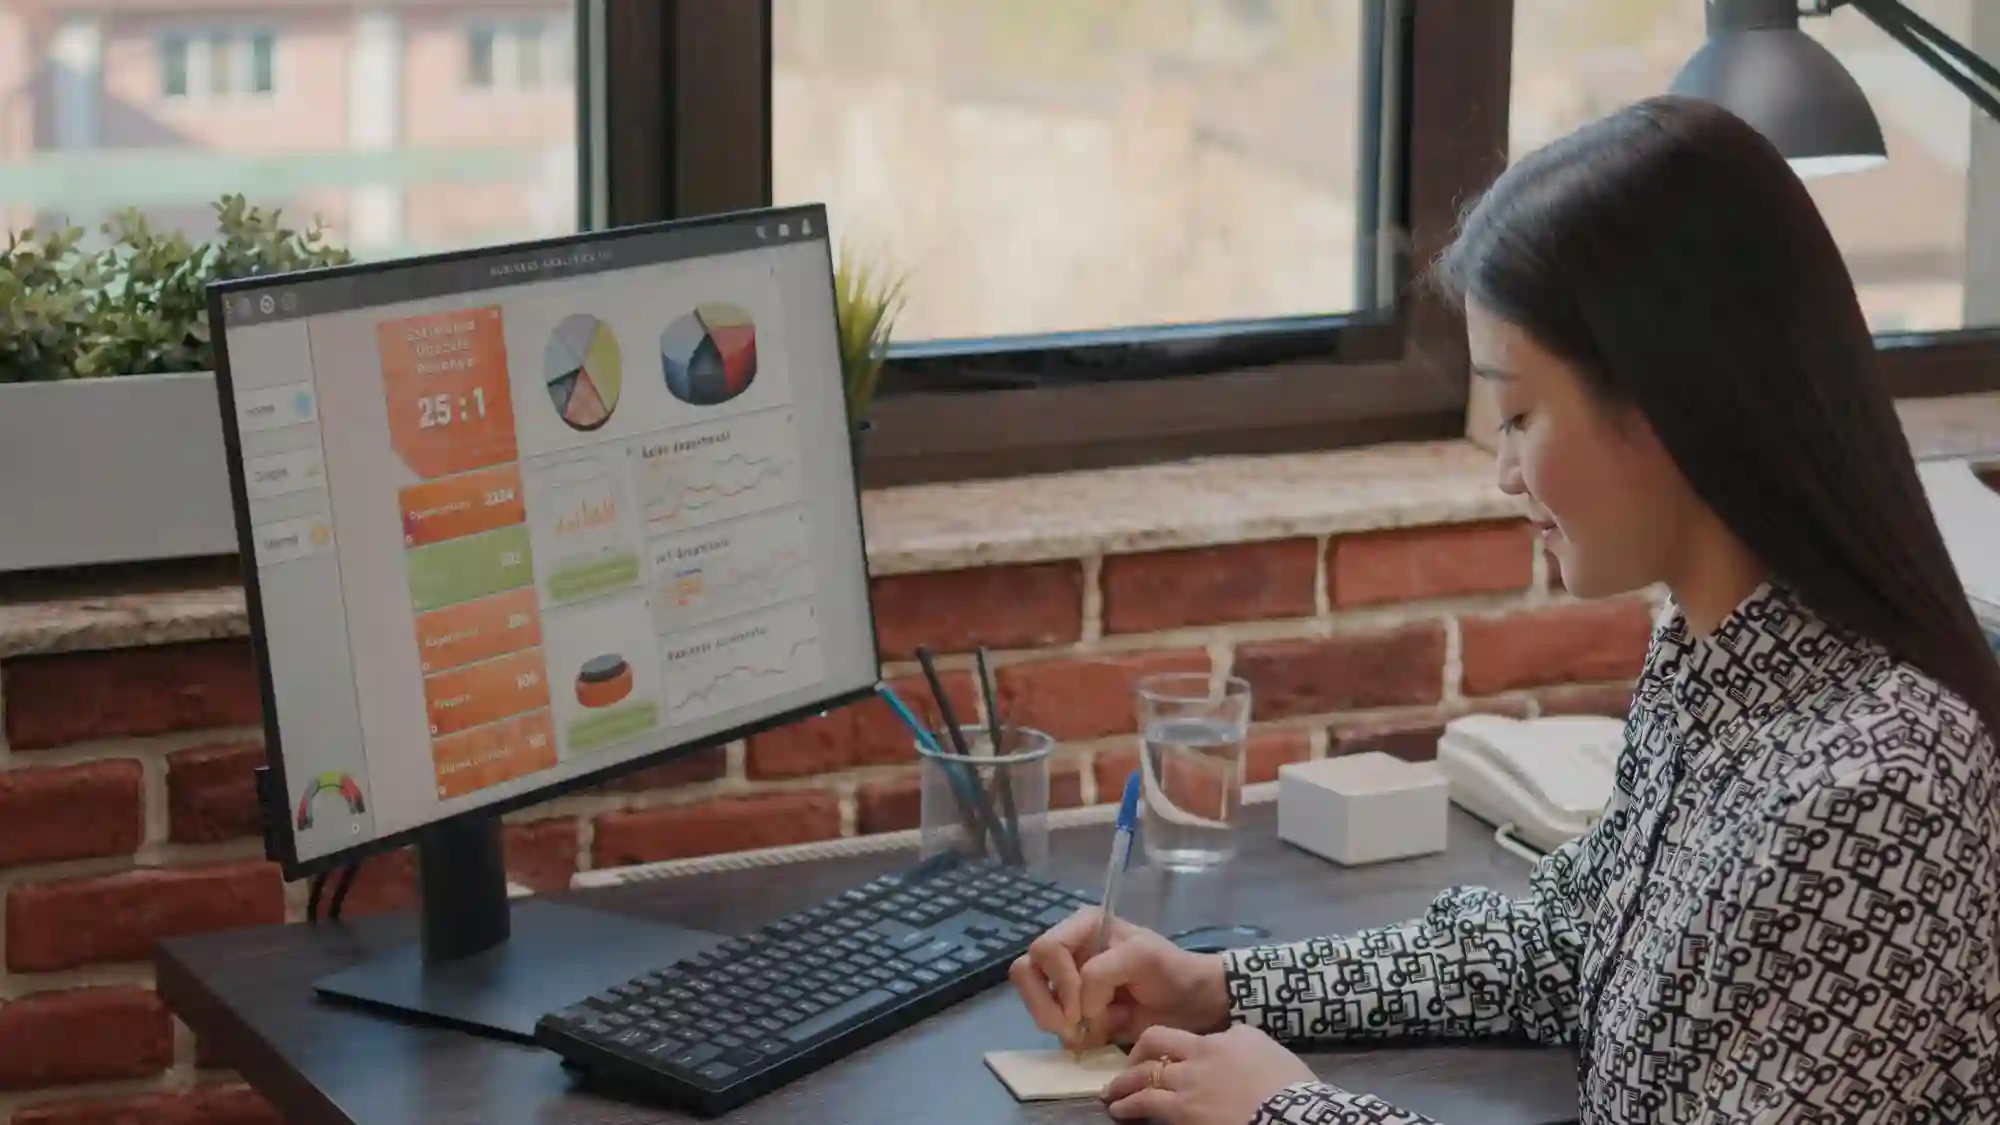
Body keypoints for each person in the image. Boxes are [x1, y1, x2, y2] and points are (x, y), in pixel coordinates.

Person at [1008, 94, 2000, 1125]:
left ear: (1668, 401)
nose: (1502, 474)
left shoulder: (1879, 782)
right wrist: (1218, 987)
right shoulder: (1712, 654)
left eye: (1520, 414)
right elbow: (1565, 945)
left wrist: (1292, 1113)